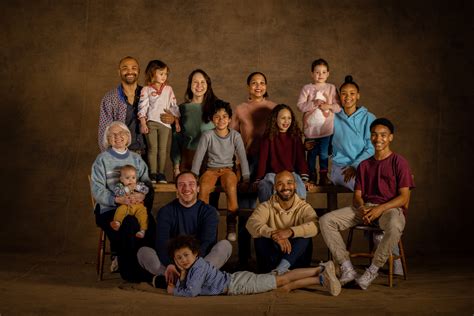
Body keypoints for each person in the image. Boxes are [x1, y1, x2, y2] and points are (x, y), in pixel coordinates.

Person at [319, 118, 415, 290]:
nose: (378, 139)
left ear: (391, 137)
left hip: (390, 209)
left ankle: (372, 270)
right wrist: (362, 207)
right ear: (370, 137)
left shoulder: (399, 162)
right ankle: (347, 268)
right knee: (326, 220)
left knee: (394, 225)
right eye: (374, 135)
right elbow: (357, 195)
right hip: (366, 208)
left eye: (383, 135)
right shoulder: (364, 165)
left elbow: (403, 197)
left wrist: (380, 209)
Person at [137, 171, 232, 286]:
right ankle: (188, 279)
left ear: (198, 188)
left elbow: (207, 243)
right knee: (143, 252)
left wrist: (193, 265)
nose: (186, 188)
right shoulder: (166, 211)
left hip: (200, 262)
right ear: (177, 190)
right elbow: (162, 243)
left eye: (191, 184)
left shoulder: (209, 212)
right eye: (182, 185)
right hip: (173, 262)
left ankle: (176, 280)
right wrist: (170, 264)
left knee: (225, 246)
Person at [166, 235, 341, 297]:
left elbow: (192, 292)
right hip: (236, 280)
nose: (183, 260)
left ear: (195, 254)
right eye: (178, 258)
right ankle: (319, 278)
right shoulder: (191, 268)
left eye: (186, 255)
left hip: (238, 284)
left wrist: (174, 291)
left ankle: (320, 268)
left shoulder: (198, 267)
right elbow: (189, 285)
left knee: (281, 279)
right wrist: (181, 276)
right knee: (282, 284)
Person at [91, 121, 155, 281]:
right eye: (113, 134)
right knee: (129, 225)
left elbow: (146, 184)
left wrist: (141, 196)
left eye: (121, 133)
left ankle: (151, 268)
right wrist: (117, 199)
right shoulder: (102, 160)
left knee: (151, 224)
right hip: (110, 209)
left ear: (128, 137)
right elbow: (97, 190)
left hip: (135, 205)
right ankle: (131, 272)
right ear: (107, 139)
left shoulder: (137, 159)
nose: (117, 137)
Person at [230, 71, 277, 267]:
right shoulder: (241, 109)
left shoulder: (274, 108)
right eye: (254, 83)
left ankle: (267, 257)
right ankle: (243, 257)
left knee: (268, 212)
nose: (258, 86)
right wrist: (238, 168)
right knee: (246, 210)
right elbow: (232, 138)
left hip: (269, 164)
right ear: (248, 87)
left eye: (262, 83)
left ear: (266, 86)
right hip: (247, 162)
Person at [191, 102, 250, 242]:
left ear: (230, 119)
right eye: (217, 117)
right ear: (212, 119)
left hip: (228, 170)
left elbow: (242, 156)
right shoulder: (208, 135)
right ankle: (203, 223)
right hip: (211, 170)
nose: (221, 120)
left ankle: (231, 224)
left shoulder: (235, 136)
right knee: (203, 188)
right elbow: (199, 155)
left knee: (230, 186)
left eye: (224, 116)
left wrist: (246, 176)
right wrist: (194, 174)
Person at [246, 171, 318, 275]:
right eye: (280, 184)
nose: (285, 187)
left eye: (289, 183)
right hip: (272, 261)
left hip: (295, 262)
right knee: (259, 235)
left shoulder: (304, 207)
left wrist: (290, 232)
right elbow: (251, 223)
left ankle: (281, 269)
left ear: (295, 185)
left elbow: (316, 225)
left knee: (305, 234)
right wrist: (274, 234)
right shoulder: (267, 206)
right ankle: (277, 271)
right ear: (275, 187)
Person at [162, 69, 226, 177]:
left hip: (211, 161)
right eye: (195, 82)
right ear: (190, 85)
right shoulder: (181, 109)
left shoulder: (217, 108)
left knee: (207, 192)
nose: (199, 85)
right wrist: (176, 167)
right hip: (188, 159)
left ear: (207, 85)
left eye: (202, 82)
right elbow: (176, 139)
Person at [255, 104, 312, 203]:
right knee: (264, 186)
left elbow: (301, 159)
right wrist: (259, 179)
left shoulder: (295, 136)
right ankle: (268, 213)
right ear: (275, 119)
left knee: (301, 188)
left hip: (291, 174)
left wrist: (304, 179)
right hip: (273, 174)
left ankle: (300, 215)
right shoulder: (268, 137)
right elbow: (262, 160)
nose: (286, 121)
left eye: (289, 118)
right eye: (283, 118)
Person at [297, 58, 341, 185]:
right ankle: (311, 175)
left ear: (328, 73)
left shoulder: (331, 88)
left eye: (323, 72)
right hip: (311, 130)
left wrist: (329, 106)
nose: (320, 75)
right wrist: (313, 103)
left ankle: (323, 175)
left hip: (326, 130)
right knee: (310, 155)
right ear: (312, 73)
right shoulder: (307, 88)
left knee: (323, 154)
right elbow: (300, 106)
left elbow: (338, 108)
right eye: (317, 72)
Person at [138, 60, 180, 184]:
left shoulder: (168, 89)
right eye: (161, 73)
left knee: (163, 149)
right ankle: (153, 173)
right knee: (152, 149)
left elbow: (173, 106)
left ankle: (161, 174)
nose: (164, 76)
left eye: (165, 74)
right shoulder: (146, 89)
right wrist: (143, 123)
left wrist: (176, 121)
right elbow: (143, 106)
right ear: (152, 74)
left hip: (165, 125)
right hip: (151, 122)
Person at [330, 75, 375, 190]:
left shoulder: (368, 118)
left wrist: (355, 166)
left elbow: (371, 148)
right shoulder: (332, 117)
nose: (348, 97)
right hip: (341, 168)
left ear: (358, 95)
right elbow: (322, 141)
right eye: (344, 93)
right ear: (339, 96)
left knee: (384, 184)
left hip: (364, 166)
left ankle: (388, 208)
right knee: (362, 186)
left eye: (352, 93)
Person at [98, 56, 146, 154]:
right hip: (123, 155)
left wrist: (171, 118)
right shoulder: (110, 98)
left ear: (139, 71)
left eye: (134, 68)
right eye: (125, 68)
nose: (130, 72)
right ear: (119, 72)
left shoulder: (149, 94)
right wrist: (111, 158)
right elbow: (104, 132)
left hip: (148, 154)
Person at [111, 164, 149, 238]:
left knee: (143, 213)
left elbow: (146, 190)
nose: (131, 180)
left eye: (133, 177)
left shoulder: (139, 185)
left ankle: (142, 230)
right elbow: (117, 193)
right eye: (127, 178)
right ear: (121, 179)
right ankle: (117, 222)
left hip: (138, 206)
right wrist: (127, 188)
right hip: (126, 205)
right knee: (120, 210)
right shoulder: (120, 186)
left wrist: (137, 187)